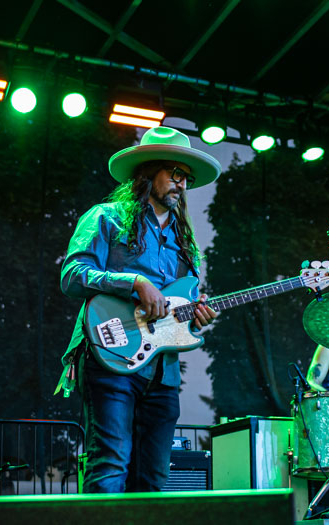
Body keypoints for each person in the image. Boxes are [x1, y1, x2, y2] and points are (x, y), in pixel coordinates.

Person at [56, 126, 220, 493]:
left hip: (163, 373)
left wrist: (199, 316)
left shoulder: (185, 247)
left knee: (155, 480)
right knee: (110, 465)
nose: (181, 184)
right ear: (147, 172)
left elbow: (181, 307)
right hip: (110, 355)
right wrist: (133, 282)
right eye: (175, 173)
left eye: (187, 178)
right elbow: (72, 275)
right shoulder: (106, 217)